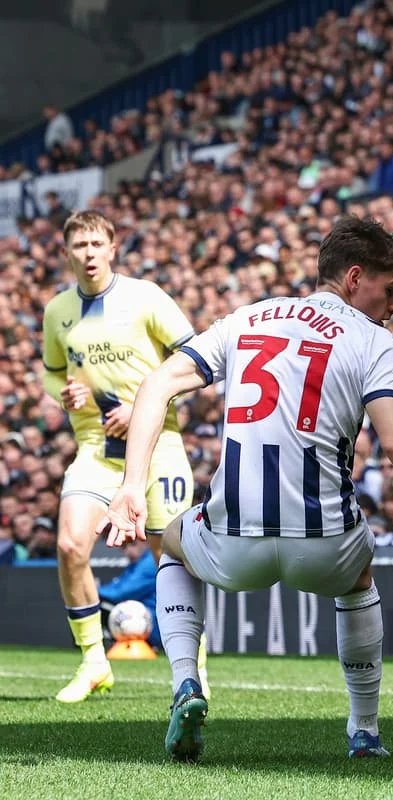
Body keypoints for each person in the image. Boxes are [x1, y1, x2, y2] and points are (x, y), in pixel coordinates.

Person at [99, 216, 393, 761]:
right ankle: (364, 731)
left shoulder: (246, 319)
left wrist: (133, 484)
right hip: (323, 545)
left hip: (232, 541)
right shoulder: (373, 340)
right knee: (360, 577)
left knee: (175, 541)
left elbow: (157, 384)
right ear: (354, 278)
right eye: (391, 290)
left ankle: (186, 682)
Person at [41, 211, 199, 703]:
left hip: (158, 446)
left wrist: (142, 406)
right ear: (66, 253)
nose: (88, 253)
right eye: (78, 245)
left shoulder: (145, 296)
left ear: (112, 248)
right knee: (70, 546)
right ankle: (93, 662)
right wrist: (61, 395)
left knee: (170, 559)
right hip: (95, 449)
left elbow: (195, 359)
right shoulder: (57, 311)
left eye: (96, 243)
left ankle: (192, 672)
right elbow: (50, 373)